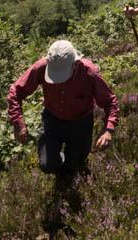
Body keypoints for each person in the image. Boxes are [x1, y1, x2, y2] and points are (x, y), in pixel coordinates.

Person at [8, 40, 118, 183]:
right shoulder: (41, 67)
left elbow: (110, 101)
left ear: (75, 64)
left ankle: (67, 170)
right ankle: (57, 161)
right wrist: (18, 123)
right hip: (52, 121)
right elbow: (15, 91)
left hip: (81, 124)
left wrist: (108, 129)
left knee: (75, 165)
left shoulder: (89, 73)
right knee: (48, 165)